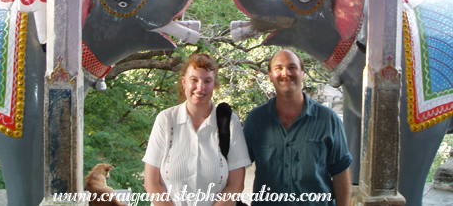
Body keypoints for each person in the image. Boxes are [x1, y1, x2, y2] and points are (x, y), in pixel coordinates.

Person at [243, 49, 352, 206]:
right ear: (270, 75)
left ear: (302, 73)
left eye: (292, 67)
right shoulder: (256, 120)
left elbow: (341, 171)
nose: (286, 73)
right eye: (278, 68)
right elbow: (236, 167)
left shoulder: (328, 119)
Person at [143, 53, 251, 206]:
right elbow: (151, 183)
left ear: (214, 85)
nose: (200, 87)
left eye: (207, 81)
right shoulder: (166, 120)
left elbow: (236, 185)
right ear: (184, 82)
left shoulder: (229, 122)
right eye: (194, 80)